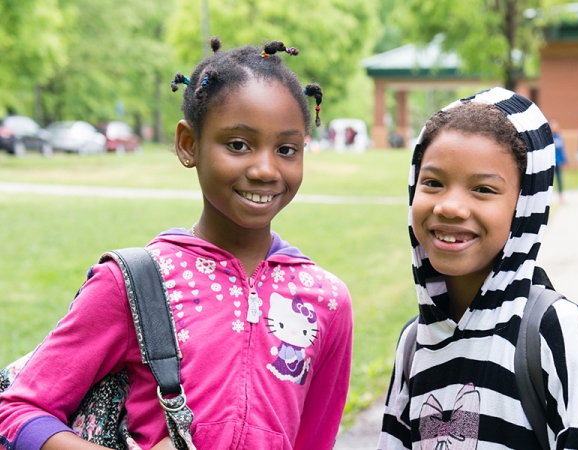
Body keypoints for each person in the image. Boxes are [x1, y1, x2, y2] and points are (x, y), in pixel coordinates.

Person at [0, 38, 352, 450]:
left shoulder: (327, 300)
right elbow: (16, 411)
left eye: (287, 149)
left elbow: (314, 441)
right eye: (238, 145)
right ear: (189, 144)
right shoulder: (132, 284)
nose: (264, 169)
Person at [378, 88, 578, 449]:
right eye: (433, 183)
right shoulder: (414, 345)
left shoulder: (561, 332)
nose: (450, 207)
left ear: (525, 205)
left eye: (482, 189)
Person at [550, 119, 568, 203]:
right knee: (550, 180)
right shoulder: (548, 138)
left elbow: (563, 150)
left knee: (559, 179)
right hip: (550, 162)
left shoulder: (559, 137)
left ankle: (561, 195)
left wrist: (565, 160)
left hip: (559, 161)